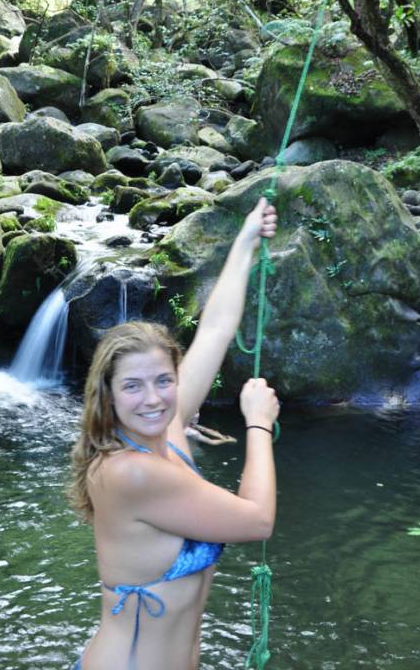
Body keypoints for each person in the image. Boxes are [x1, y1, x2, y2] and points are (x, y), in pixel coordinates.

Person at [69, 198, 280, 670]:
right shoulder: (130, 473)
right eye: (133, 386)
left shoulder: (164, 434)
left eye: (164, 380)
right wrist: (258, 423)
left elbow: (217, 330)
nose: (153, 398)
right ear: (108, 394)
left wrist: (245, 241)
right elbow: (258, 520)